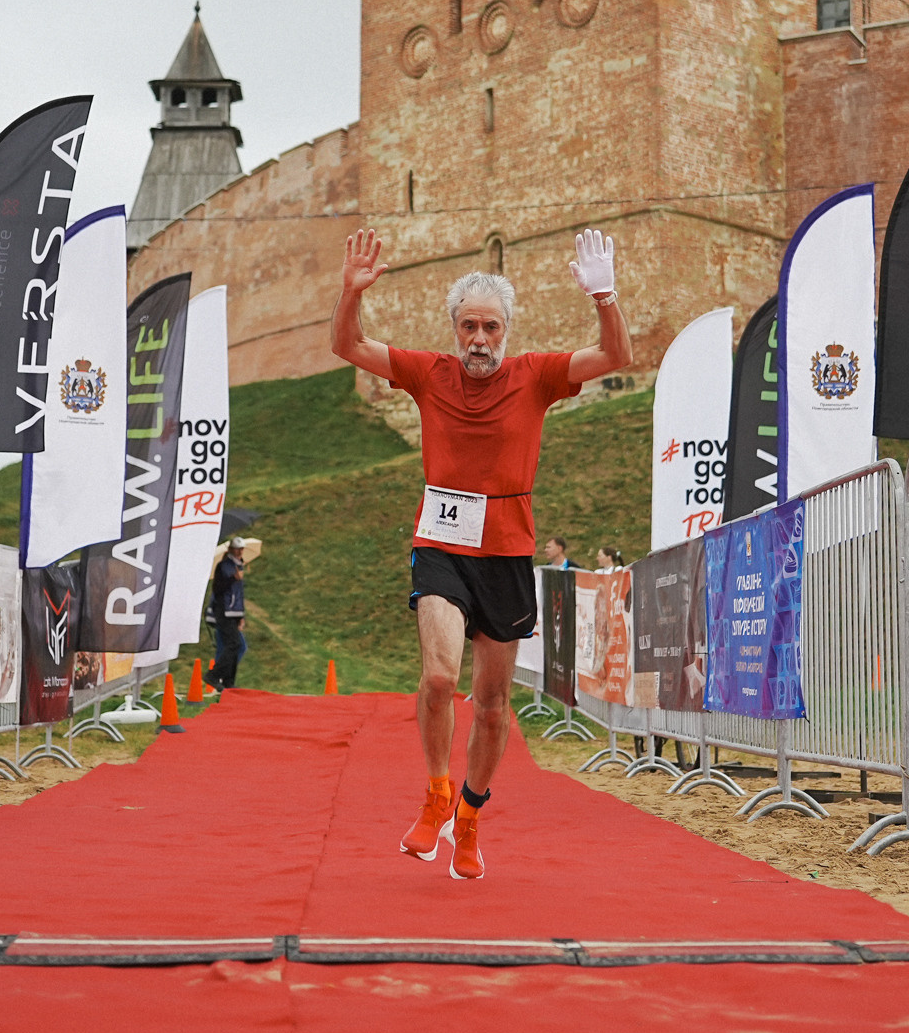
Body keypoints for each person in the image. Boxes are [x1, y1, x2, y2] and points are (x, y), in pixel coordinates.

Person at [331, 226, 630, 880]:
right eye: (468, 327)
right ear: (454, 329)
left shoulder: (537, 376)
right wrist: (350, 292)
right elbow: (346, 344)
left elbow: (615, 355)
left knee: (492, 705)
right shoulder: (427, 372)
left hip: (507, 555)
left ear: (507, 332)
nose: (479, 340)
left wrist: (604, 295)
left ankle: (469, 815)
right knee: (440, 679)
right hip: (440, 543)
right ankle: (437, 791)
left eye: (491, 328)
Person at [206, 537, 260, 693]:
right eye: (237, 549)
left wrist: (240, 616)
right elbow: (218, 589)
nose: (240, 551)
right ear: (231, 550)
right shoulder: (224, 567)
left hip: (233, 613)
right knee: (234, 645)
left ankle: (229, 682)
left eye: (242, 548)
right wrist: (232, 579)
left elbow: (238, 595)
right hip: (223, 612)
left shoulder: (239, 567)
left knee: (236, 646)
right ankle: (214, 675)